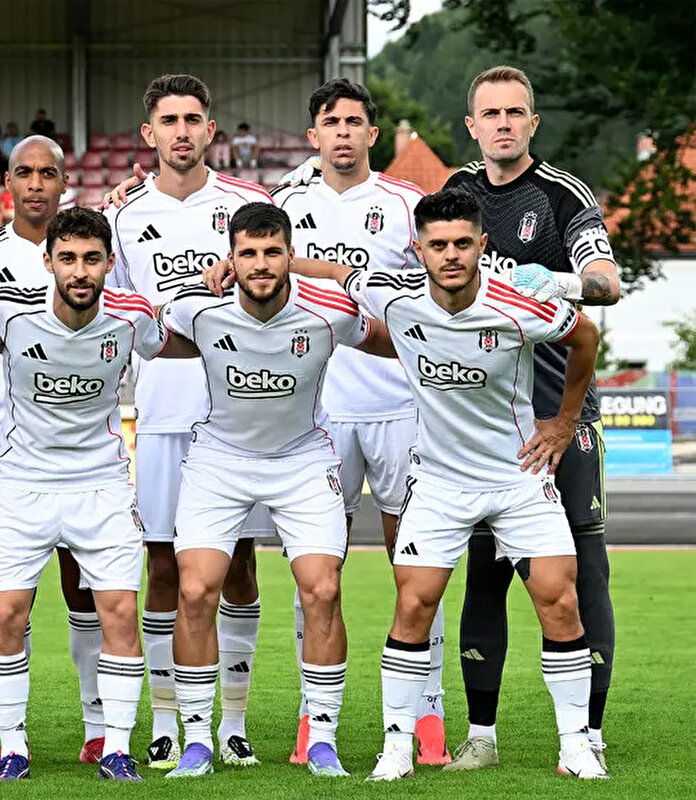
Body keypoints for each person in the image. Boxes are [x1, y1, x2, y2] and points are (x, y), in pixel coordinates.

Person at [291, 187, 607, 781]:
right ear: (419, 250)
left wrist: (564, 421)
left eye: (463, 243)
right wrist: (259, 261)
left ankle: (576, 748)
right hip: (436, 482)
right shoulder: (397, 299)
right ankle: (395, 750)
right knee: (413, 604)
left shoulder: (518, 305)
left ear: (482, 247)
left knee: (559, 599)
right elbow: (334, 271)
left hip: (516, 476)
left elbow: (584, 335)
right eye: (438, 245)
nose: (451, 255)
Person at [161, 203, 395, 779]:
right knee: (194, 592)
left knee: (322, 589)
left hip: (302, 460)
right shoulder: (196, 307)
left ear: (291, 255)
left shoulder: (332, 313)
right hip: (218, 459)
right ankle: (197, 740)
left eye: (272, 252)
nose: (261, 265)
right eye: (248, 253)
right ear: (231, 258)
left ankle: (321, 739)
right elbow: (144, 335)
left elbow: (396, 341)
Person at [444, 66, 622, 772]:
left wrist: (565, 282)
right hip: (489, 423)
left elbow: (607, 280)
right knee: (485, 571)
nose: (504, 123)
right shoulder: (452, 195)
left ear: (533, 123)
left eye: (516, 112)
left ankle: (591, 733)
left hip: (561, 416)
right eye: (491, 113)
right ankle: (481, 737)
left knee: (582, 570)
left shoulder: (560, 195)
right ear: (472, 125)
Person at [266, 79, 445, 765]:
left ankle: (426, 717)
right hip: (313, 415)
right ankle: (317, 722)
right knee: (317, 576)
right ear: (313, 135)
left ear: (374, 134)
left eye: (355, 122)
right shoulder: (283, 206)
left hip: (401, 405)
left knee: (416, 568)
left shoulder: (407, 206)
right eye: (330, 121)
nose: (342, 132)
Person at [102, 73, 275, 770]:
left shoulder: (248, 208)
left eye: (193, 119)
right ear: (149, 134)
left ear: (211, 130)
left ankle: (232, 722)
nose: (181, 131)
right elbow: (109, 315)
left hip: (237, 415)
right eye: (168, 120)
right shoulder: (118, 217)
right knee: (163, 565)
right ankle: (168, 718)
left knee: (237, 565)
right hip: (163, 410)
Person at [0, 207, 174, 782]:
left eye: (92, 259)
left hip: (103, 485)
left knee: (118, 612)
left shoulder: (132, 316)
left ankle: (115, 746)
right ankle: (12, 747)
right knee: (6, 613)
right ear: (48, 262)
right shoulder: (7, 313)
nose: (80, 271)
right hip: (22, 485)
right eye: (67, 258)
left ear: (110, 263)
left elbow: (176, 343)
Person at [0, 135, 110, 766]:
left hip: (86, 445)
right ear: (6, 183)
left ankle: (98, 724)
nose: (38, 183)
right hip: (7, 446)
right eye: (26, 172)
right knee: (11, 594)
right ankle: (10, 739)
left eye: (50, 172)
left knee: (86, 587)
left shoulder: (98, 249)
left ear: (66, 182)